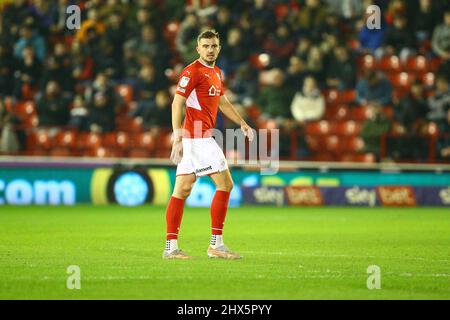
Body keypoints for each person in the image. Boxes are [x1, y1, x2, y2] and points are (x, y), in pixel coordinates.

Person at [164, 30, 254, 260]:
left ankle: (171, 248)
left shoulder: (216, 72)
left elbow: (222, 102)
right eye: (206, 46)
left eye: (214, 45)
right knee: (225, 185)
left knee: (181, 190)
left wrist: (242, 123)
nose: (210, 49)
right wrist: (178, 136)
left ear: (219, 48)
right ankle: (216, 245)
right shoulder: (192, 71)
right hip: (199, 138)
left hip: (200, 139)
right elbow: (177, 103)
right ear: (198, 49)